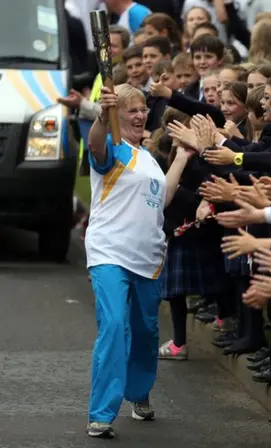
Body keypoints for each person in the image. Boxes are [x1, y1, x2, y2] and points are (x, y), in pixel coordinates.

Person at [84, 84, 194, 438]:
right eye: (131, 110)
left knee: (146, 332)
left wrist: (181, 157)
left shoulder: (147, 158)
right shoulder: (113, 149)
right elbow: (94, 145)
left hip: (147, 258)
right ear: (117, 115)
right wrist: (102, 117)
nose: (139, 115)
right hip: (109, 252)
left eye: (143, 109)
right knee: (115, 325)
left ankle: (139, 393)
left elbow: (163, 198)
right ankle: (101, 413)